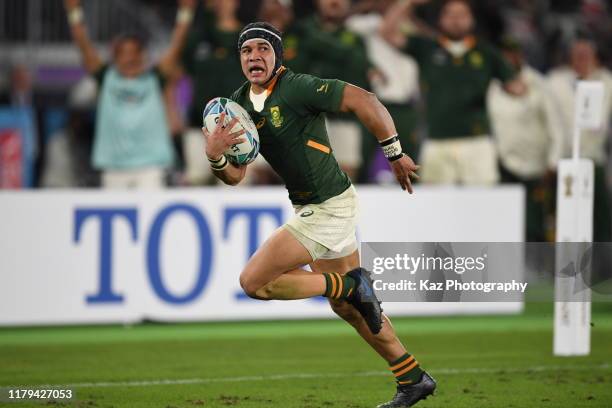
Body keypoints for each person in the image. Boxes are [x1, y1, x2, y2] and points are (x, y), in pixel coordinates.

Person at [202, 22, 434, 408]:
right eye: (247, 50)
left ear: (278, 55)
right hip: (316, 205)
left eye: (263, 48)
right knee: (351, 309)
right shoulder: (238, 104)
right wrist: (216, 155)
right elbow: (235, 175)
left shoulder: (298, 87)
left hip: (328, 207)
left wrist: (393, 153)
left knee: (256, 283)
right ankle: (412, 378)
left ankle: (349, 285)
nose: (254, 56)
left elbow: (366, 101)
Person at [381, 0, 526, 185]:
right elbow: (386, 33)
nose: (456, 20)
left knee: (483, 200)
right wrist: (407, 3)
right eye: (450, 15)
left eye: (462, 15)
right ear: (441, 20)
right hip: (437, 140)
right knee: (436, 203)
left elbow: (518, 87)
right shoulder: (427, 47)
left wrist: (517, 81)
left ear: (471, 20)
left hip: (477, 142)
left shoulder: (486, 53)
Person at [64, 0, 196, 189]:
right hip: (114, 169)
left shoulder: (155, 79)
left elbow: (177, 46)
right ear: (115, 57)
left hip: (151, 169)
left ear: (144, 56)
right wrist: (74, 12)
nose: (130, 58)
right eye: (124, 53)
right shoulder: (106, 79)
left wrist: (185, 12)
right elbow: (83, 46)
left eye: (135, 52)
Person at [487, 38, 564, 242]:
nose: (509, 59)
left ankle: (538, 266)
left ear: (521, 56)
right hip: (503, 164)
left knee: (536, 221)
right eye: (504, 55)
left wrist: (553, 162)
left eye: (513, 54)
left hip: (535, 166)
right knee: (505, 220)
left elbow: (556, 126)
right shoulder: (491, 85)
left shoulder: (539, 84)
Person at [547, 38, 612, 243]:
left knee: (600, 216)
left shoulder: (606, 81)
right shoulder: (556, 82)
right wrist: (553, 159)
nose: (583, 59)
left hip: (594, 158)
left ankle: (603, 266)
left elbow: (598, 122)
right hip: (564, 159)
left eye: (587, 54)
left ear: (596, 58)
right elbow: (553, 122)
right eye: (578, 55)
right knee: (562, 213)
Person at [181, 0, 244, 185]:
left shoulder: (247, 37)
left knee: (235, 184)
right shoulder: (199, 37)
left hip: (236, 127)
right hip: (198, 125)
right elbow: (180, 66)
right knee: (196, 181)